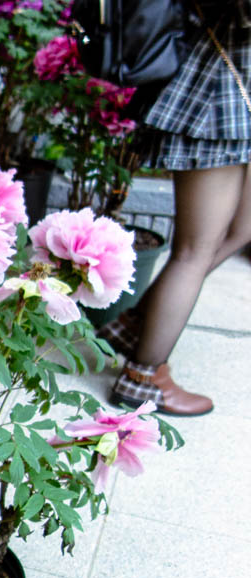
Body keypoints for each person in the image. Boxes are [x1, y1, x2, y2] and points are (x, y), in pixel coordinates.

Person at [101, 0, 251, 416]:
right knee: (195, 248)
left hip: (237, 95)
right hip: (217, 97)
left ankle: (136, 327)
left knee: (243, 227)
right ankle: (143, 378)